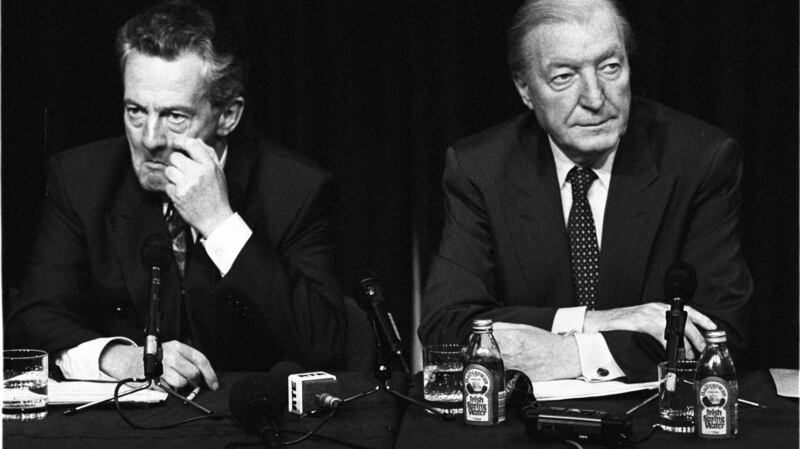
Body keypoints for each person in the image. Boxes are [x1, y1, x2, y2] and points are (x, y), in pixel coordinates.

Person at [6, 0, 345, 391]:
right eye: (136, 111)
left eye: (175, 116)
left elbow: (325, 344)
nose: (149, 139)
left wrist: (220, 224)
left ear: (228, 115)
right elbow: (31, 321)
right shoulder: (80, 179)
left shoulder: (296, 189)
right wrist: (123, 358)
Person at [418, 0, 751, 382]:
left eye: (610, 67)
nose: (595, 98)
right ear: (525, 89)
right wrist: (597, 322)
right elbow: (446, 328)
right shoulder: (480, 169)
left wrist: (570, 354)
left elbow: (720, 332)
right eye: (564, 76)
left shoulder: (699, 160)